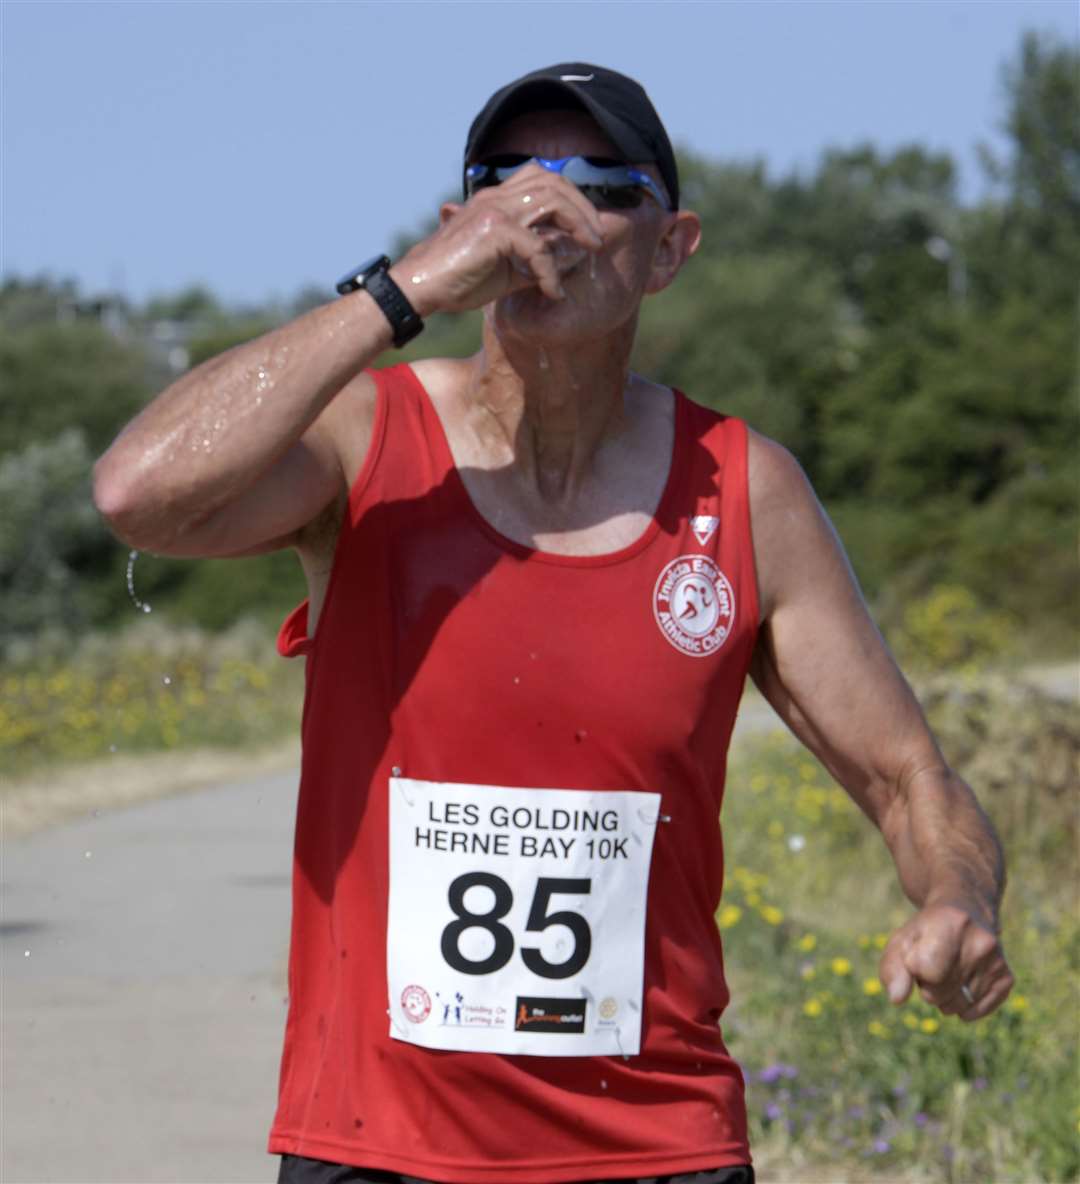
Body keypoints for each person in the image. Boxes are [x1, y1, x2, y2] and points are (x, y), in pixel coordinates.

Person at [93, 63, 1013, 1184]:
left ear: (671, 249)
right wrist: (406, 290)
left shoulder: (743, 488)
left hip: (657, 1145)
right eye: (507, 179)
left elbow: (910, 777)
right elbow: (138, 492)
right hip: (376, 1145)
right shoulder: (366, 444)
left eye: (602, 182)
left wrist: (957, 897)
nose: (546, 207)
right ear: (459, 224)